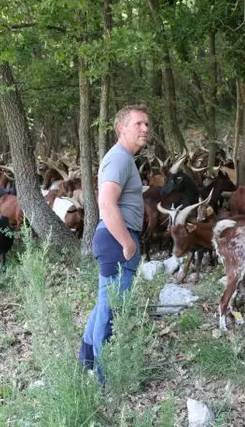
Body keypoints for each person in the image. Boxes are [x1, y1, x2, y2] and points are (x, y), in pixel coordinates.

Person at [78, 104, 149, 384]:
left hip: (115, 239)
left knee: (103, 307)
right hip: (116, 241)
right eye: (138, 124)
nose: (145, 129)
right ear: (122, 128)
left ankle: (86, 364)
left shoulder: (124, 159)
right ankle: (105, 381)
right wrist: (127, 243)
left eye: (147, 125)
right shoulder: (119, 158)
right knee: (110, 312)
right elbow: (106, 203)